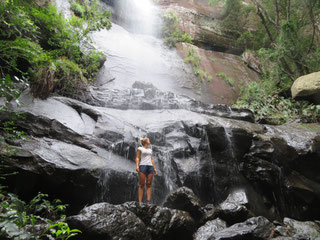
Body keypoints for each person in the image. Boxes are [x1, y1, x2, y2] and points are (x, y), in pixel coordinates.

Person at [136, 137, 157, 204]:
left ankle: (148, 201)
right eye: (149, 140)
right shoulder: (140, 148)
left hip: (150, 166)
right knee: (141, 184)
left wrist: (154, 168)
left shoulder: (150, 150)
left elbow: (152, 159)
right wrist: (137, 166)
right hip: (143, 166)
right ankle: (140, 201)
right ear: (145, 142)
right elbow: (137, 157)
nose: (150, 141)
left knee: (149, 184)